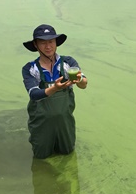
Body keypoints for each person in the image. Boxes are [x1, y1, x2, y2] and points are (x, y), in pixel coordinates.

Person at [22, 24, 88, 159]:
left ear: (56, 43)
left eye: (51, 42)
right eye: (43, 43)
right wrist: (55, 88)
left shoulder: (68, 62)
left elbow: (84, 84)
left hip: (65, 123)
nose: (48, 46)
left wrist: (79, 80)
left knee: (68, 154)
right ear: (35, 45)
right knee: (41, 156)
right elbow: (34, 94)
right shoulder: (30, 68)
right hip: (41, 124)